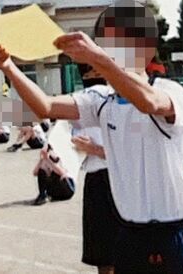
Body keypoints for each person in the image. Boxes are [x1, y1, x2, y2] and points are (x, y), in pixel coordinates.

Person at [0, 0, 183, 273]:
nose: (108, 50)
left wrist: (98, 58)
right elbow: (46, 106)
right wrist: (9, 67)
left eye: (116, 42)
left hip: (170, 235)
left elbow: (149, 103)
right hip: (128, 234)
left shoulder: (169, 90)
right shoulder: (101, 99)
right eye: (105, 42)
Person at [73, 116, 117, 274]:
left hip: (118, 179)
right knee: (101, 252)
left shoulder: (124, 108)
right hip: (94, 181)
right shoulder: (80, 111)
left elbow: (130, 153)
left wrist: (95, 149)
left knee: (127, 250)